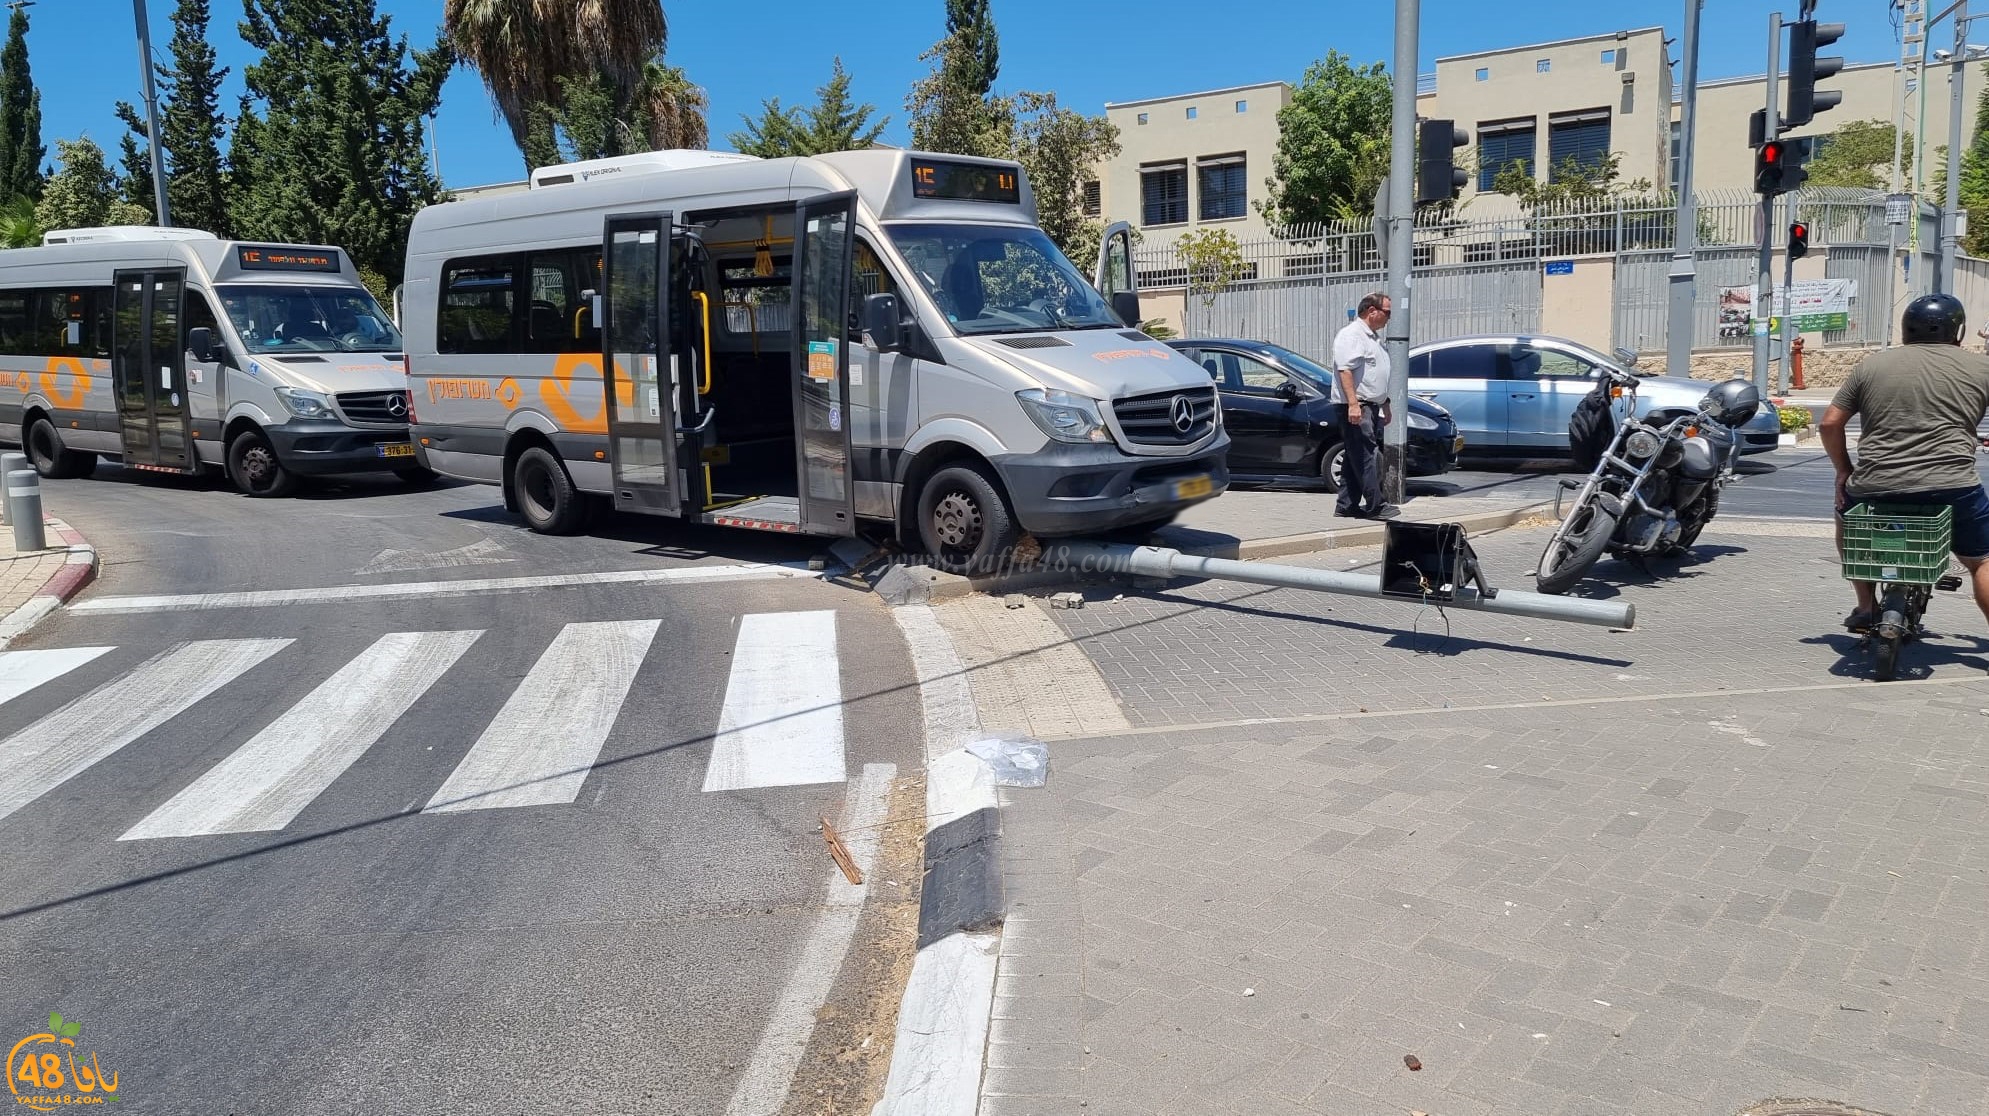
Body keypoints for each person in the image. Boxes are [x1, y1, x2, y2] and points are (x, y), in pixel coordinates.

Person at [1821, 292, 1989, 630]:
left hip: (1875, 485)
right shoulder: (1981, 367)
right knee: (1982, 559)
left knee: (1849, 523)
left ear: (1906, 329)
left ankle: (1866, 608)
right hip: (1952, 487)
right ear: (1957, 331)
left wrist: (1843, 471)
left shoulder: (1872, 365)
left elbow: (1829, 423)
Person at [1330, 291, 1399, 520]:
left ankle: (1346, 504)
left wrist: (1385, 403)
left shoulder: (1372, 337)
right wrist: (1353, 404)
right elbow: (1345, 371)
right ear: (1372, 311)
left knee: (1355, 456)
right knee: (1366, 455)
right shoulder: (1352, 335)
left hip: (1368, 405)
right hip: (1356, 405)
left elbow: (1373, 376)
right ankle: (1375, 505)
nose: (1389, 317)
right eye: (1387, 312)